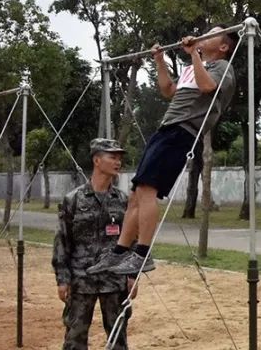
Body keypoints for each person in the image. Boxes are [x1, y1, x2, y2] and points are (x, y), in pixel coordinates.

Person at [89, 27, 237, 277]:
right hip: (166, 129)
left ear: (223, 47)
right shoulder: (194, 66)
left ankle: (142, 254)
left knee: (148, 191)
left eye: (211, 35)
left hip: (182, 132)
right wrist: (159, 61)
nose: (203, 36)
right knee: (136, 194)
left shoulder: (223, 67)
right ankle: (119, 252)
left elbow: (207, 87)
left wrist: (194, 55)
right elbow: (169, 90)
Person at [51, 139, 145, 350]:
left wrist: (132, 275)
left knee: (117, 330)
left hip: (114, 278)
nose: (118, 161)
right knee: (75, 332)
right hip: (82, 278)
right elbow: (63, 241)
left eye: (119, 157)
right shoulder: (73, 200)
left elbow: (135, 240)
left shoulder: (123, 200)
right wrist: (62, 278)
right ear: (96, 160)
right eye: (112, 156)